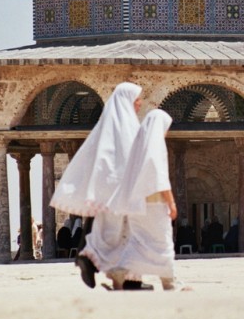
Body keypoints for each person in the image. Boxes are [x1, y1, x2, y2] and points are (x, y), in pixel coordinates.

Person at [51, 82, 143, 288]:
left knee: (117, 237)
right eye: (137, 100)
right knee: (126, 236)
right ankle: (117, 275)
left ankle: (122, 277)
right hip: (120, 195)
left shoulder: (107, 129)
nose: (140, 104)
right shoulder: (125, 128)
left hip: (113, 195)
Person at [103, 109, 181, 290]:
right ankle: (169, 282)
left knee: (138, 242)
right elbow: (160, 178)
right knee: (163, 242)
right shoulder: (156, 147)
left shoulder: (137, 147)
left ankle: (120, 271)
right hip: (155, 203)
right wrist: (171, 202)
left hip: (135, 204)